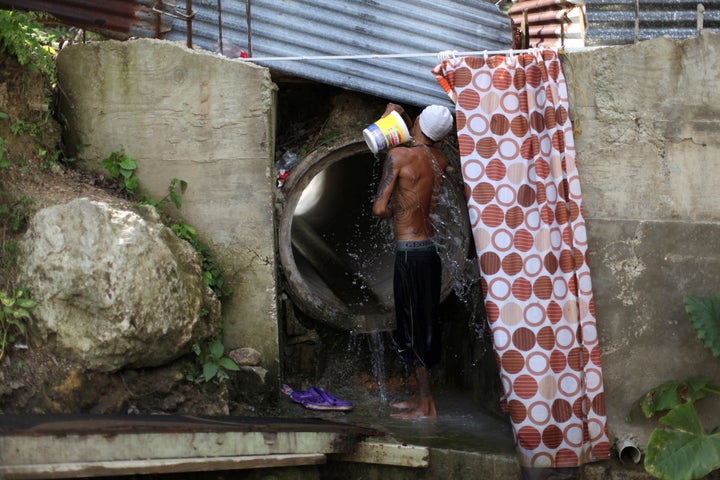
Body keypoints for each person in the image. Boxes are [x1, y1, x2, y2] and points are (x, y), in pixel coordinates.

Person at [371, 102, 454, 419]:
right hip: (430, 253)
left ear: (417, 121)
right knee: (425, 323)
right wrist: (404, 120)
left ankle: (425, 405)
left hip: (409, 255)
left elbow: (379, 208)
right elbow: (422, 147)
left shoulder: (399, 156)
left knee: (415, 326)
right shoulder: (439, 159)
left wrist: (395, 211)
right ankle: (422, 399)